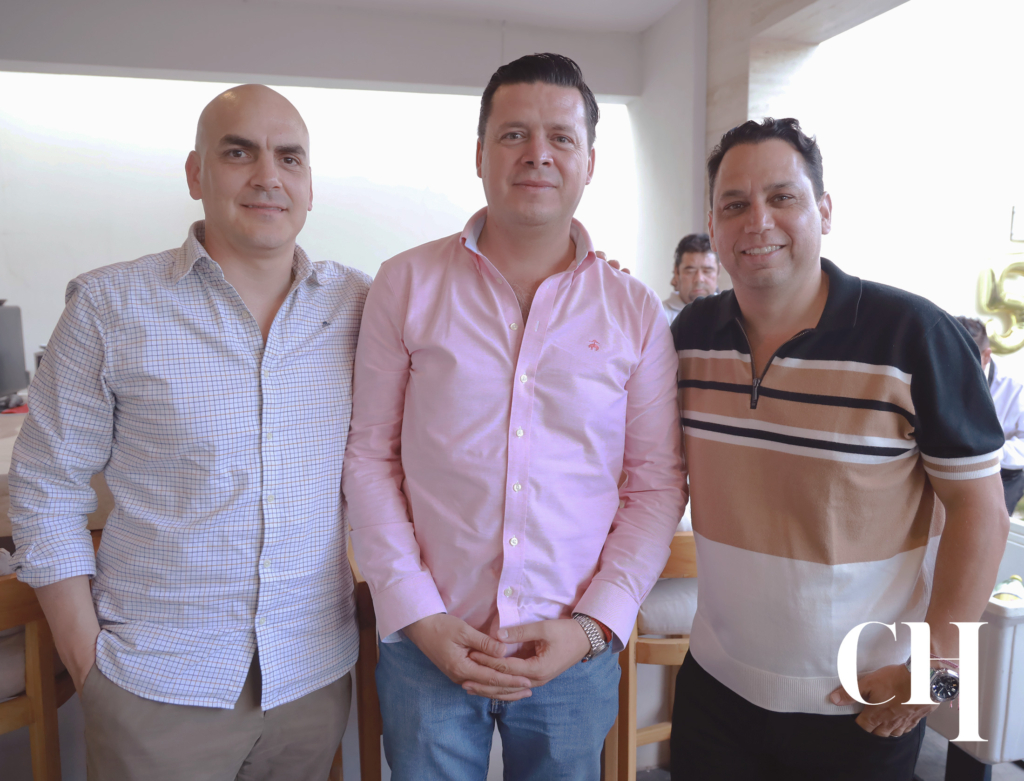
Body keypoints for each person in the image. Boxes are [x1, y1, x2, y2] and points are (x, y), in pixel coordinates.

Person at [10, 84, 368, 780]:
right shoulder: (109, 306)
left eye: (289, 158)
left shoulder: (357, 304)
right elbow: (44, 488)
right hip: (156, 687)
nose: (268, 176)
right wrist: (87, 664)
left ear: (310, 185)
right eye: (239, 153)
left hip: (310, 679)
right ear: (196, 174)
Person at [343, 53, 686, 780]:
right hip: (428, 640)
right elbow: (369, 457)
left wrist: (593, 625)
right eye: (513, 135)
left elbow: (656, 484)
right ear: (479, 154)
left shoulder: (635, 311)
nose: (538, 154)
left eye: (561, 137)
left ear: (589, 162)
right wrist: (417, 612)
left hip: (572, 651)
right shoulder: (405, 284)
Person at [670, 117, 1009, 780]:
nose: (757, 220)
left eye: (783, 197)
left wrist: (938, 670)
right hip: (716, 685)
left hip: (858, 700)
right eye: (734, 204)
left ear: (824, 210)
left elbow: (982, 512)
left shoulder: (912, 336)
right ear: (712, 225)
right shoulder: (690, 337)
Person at [957, 315, 1024, 515]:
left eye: (965, 361)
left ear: (986, 356)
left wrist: (986, 450)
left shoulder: (1017, 386)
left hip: (1002, 472)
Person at [663, 233, 719, 324]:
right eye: (690, 271)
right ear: (677, 272)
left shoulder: (732, 312)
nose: (699, 279)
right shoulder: (660, 315)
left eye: (707, 271)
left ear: (718, 271)